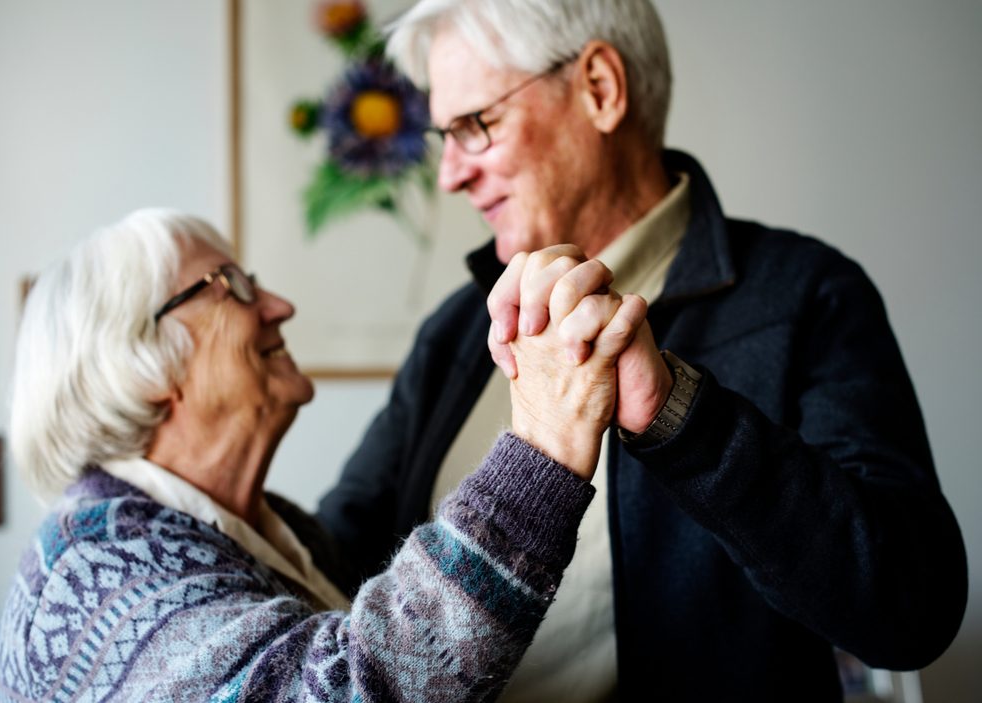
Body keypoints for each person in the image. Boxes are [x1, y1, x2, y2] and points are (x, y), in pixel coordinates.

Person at [316, 1, 969, 700]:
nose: (450, 175)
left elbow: (911, 607)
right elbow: (330, 566)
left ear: (600, 88)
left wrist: (682, 416)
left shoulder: (806, 294)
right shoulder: (453, 332)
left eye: (476, 126)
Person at [0, 208, 649, 702]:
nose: (280, 305)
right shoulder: (91, 567)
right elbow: (343, 687)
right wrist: (544, 441)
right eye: (230, 285)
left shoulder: (271, 534)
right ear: (139, 367)